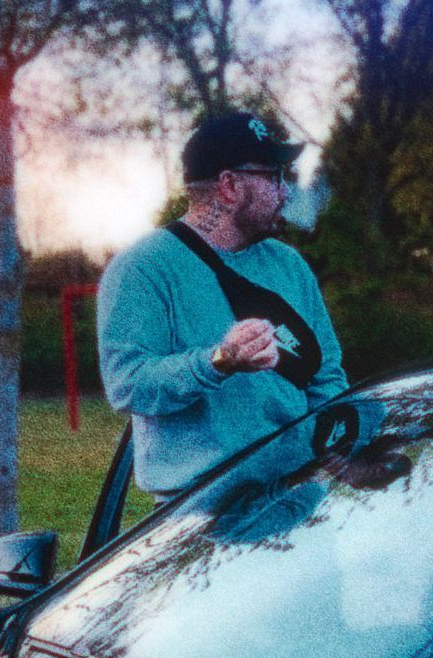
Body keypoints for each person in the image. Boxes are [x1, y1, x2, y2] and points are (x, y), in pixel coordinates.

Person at [98, 111, 348, 500]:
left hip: (302, 500)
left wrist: (347, 448)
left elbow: (327, 377)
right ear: (229, 186)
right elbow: (128, 385)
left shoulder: (290, 265)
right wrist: (219, 361)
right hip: (201, 516)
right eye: (274, 177)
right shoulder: (142, 268)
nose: (285, 193)